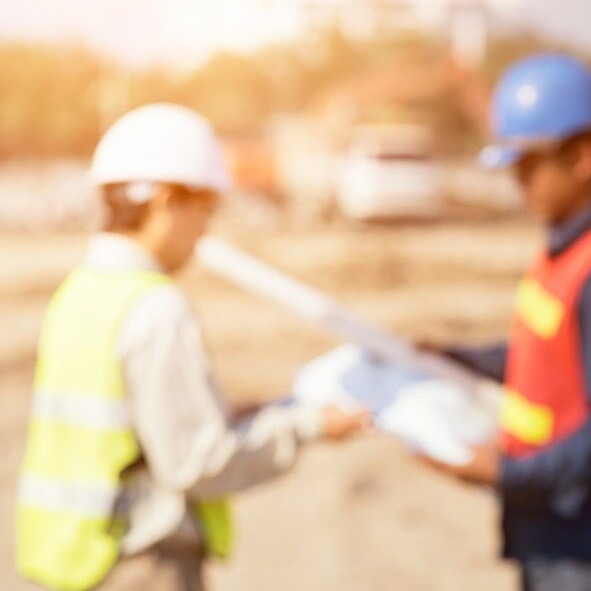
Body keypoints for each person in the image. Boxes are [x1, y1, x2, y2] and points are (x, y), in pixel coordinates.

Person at [15, 103, 369, 591]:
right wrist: (309, 425)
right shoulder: (157, 308)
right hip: (139, 565)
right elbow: (196, 463)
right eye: (205, 210)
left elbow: (121, 427)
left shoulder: (79, 292)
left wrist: (227, 414)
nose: (206, 231)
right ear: (166, 201)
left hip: (74, 558)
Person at [420, 54, 591, 591]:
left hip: (588, 544)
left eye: (528, 165)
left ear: (583, 158)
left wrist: (504, 475)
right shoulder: (569, 251)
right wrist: (449, 357)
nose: (519, 183)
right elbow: (542, 362)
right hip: (554, 528)